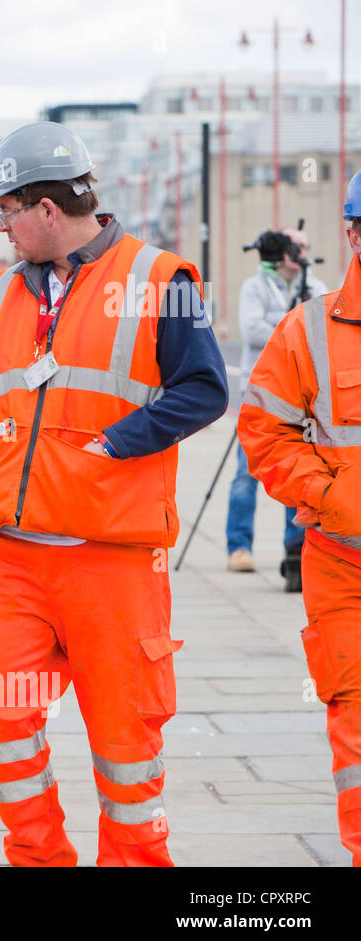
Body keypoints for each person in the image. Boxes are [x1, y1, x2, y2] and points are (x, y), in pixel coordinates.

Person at [0, 122, 228, 866]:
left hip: (114, 561)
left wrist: (117, 443)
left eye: (5, 209)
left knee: (125, 748)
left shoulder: (164, 279)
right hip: (14, 561)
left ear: (44, 207)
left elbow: (206, 389)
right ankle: (41, 858)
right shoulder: (2, 291)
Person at [237, 171, 361, 865]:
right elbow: (264, 430)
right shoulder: (308, 328)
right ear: (352, 234)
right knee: (356, 724)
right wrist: (330, 495)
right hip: (344, 563)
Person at [226, 228, 328, 588]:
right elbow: (251, 330)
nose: (296, 252)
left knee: (296, 473)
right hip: (258, 394)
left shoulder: (316, 288)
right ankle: (238, 546)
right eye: (291, 247)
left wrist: (284, 329)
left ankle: (295, 547)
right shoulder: (255, 286)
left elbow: (324, 332)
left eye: (302, 246)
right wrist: (292, 328)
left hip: (301, 397)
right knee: (244, 474)